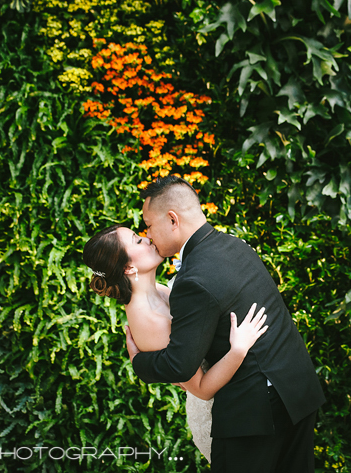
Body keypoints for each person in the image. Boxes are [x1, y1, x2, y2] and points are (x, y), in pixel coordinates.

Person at [127, 175, 325, 473]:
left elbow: (180, 365)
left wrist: (138, 362)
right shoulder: (234, 245)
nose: (149, 234)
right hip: (297, 388)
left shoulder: (193, 279)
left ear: (172, 219)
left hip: (255, 412)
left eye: (149, 225)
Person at [83, 223, 269, 461]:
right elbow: (201, 389)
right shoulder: (149, 321)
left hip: (237, 394)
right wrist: (239, 349)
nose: (147, 238)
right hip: (221, 417)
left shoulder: (158, 291)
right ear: (129, 267)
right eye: (137, 241)